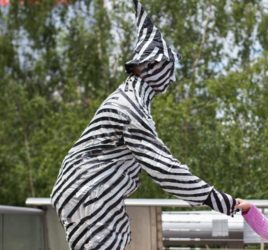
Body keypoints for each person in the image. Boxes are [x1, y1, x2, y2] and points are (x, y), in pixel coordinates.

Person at [50, 1, 236, 249]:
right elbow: (165, 169)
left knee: (119, 237)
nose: (170, 77)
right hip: (90, 192)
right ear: (150, 66)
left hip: (87, 191)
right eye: (167, 67)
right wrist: (220, 200)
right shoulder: (131, 107)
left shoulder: (128, 98)